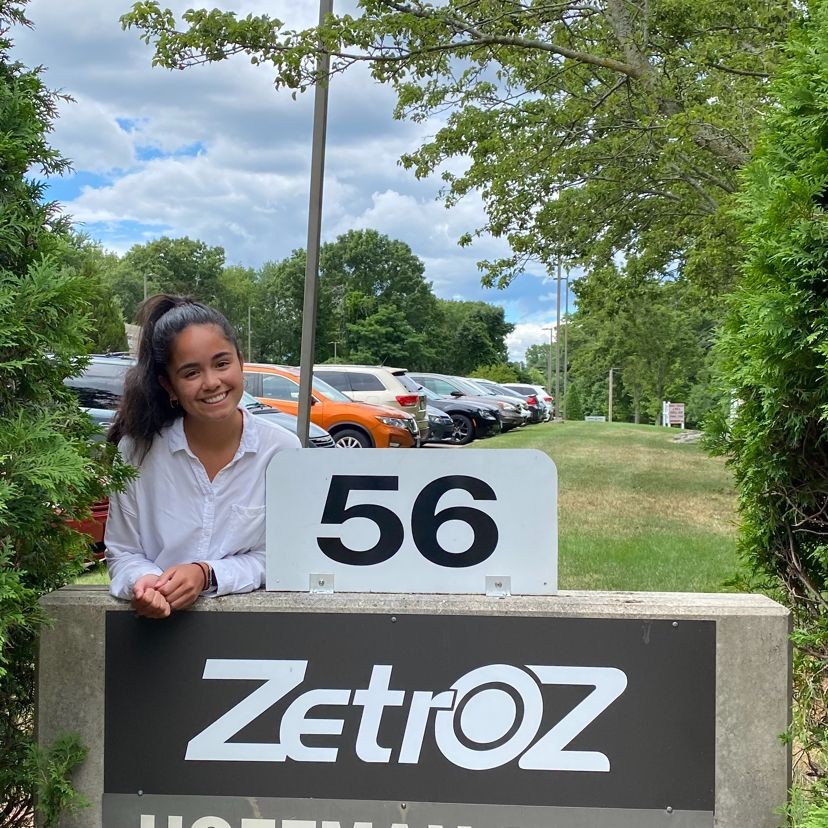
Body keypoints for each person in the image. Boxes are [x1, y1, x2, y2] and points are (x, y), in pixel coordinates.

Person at [105, 293, 300, 619]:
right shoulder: (136, 451)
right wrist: (147, 583)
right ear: (169, 385)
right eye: (191, 373)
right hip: (156, 642)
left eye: (222, 363)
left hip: (254, 638)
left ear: (241, 361)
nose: (211, 382)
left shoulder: (281, 452)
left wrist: (206, 573)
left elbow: (284, 557)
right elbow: (123, 553)